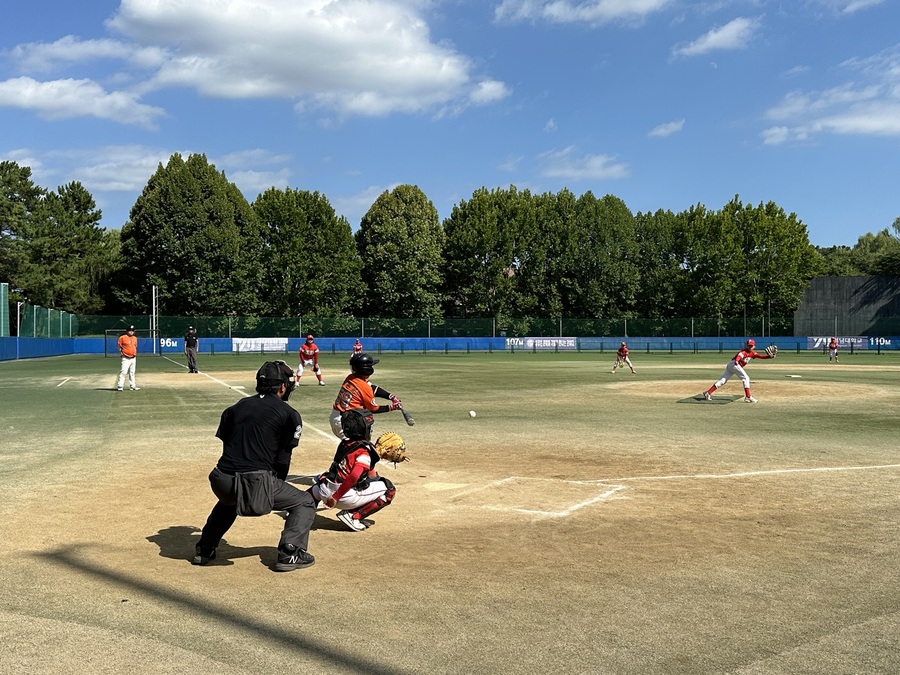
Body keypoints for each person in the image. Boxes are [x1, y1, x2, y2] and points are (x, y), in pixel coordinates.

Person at [193, 361, 317, 572]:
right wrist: (274, 485)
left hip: (220, 479)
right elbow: (283, 459)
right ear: (282, 387)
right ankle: (290, 552)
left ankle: (204, 548)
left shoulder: (235, 408)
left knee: (230, 500)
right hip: (255, 482)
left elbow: (228, 447)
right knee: (304, 502)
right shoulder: (289, 414)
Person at [310, 409, 396, 532]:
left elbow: (368, 475)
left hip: (323, 490)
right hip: (343, 497)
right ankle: (353, 516)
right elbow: (354, 475)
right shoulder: (364, 451)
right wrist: (335, 497)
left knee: (323, 479)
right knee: (389, 489)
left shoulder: (345, 444)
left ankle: (302, 507)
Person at [329, 352, 403, 438]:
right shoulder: (364, 387)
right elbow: (373, 409)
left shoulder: (351, 378)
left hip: (338, 417)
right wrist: (392, 407)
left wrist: (390, 396)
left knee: (354, 444)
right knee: (359, 445)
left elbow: (371, 388)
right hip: (347, 422)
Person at [701, 339, 775, 403]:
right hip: (734, 364)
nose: (750, 347)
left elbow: (761, 356)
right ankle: (748, 397)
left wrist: (769, 357)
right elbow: (739, 356)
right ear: (746, 345)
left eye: (751, 346)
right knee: (746, 378)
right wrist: (737, 360)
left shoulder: (752, 353)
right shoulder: (744, 352)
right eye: (749, 345)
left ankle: (708, 393)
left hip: (732, 365)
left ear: (754, 346)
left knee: (723, 380)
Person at [116, 325, 139, 391]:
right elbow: (119, 346)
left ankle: (133, 386)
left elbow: (135, 346)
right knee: (123, 371)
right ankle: (120, 385)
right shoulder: (122, 337)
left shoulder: (135, 338)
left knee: (132, 372)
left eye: (132, 330)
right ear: (127, 331)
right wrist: (121, 352)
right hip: (126, 358)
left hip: (133, 357)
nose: (131, 332)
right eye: (130, 330)